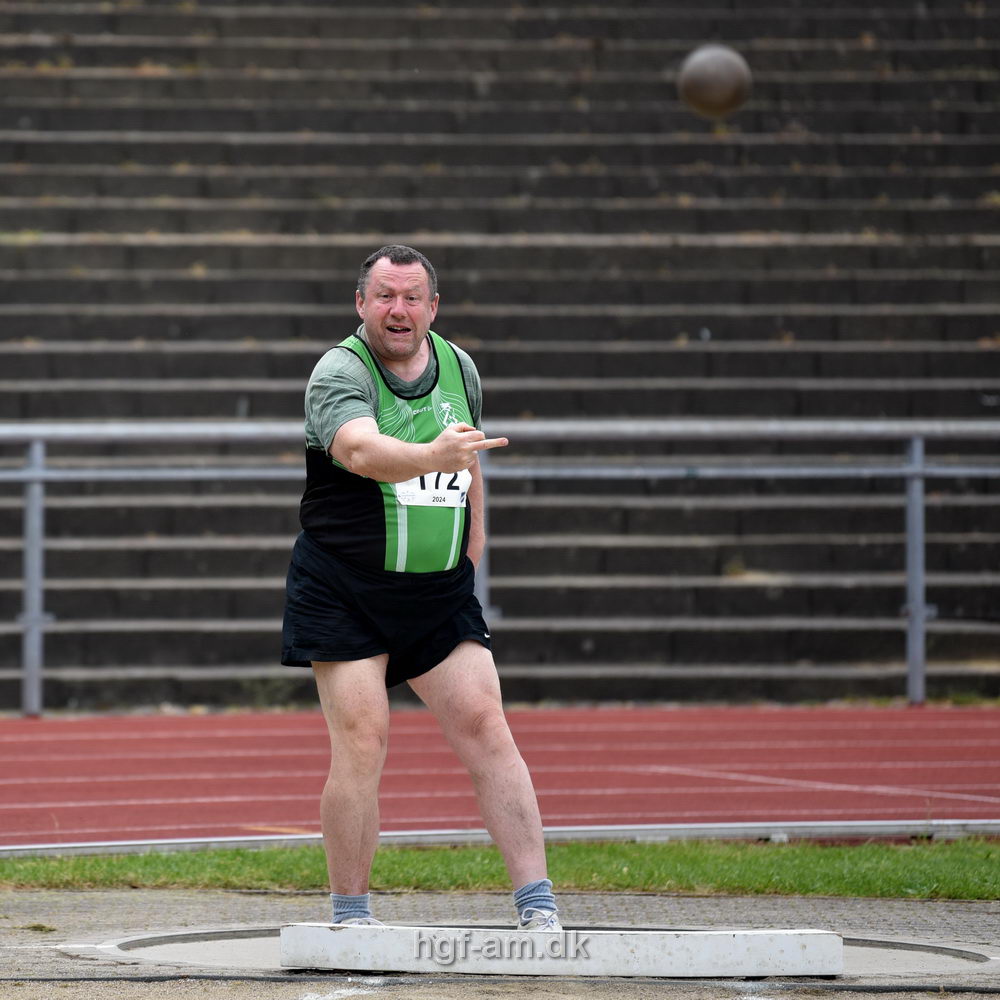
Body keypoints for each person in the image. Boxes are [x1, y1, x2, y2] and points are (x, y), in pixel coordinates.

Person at [282, 244, 560, 931]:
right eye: (384, 296)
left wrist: (473, 541)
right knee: (363, 739)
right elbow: (358, 450)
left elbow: (467, 457)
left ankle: (538, 905)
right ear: (361, 304)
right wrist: (430, 455)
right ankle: (352, 916)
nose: (397, 310)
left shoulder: (459, 366)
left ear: (433, 307)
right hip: (345, 589)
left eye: (411, 298)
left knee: (486, 725)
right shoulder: (340, 372)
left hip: (437, 593)